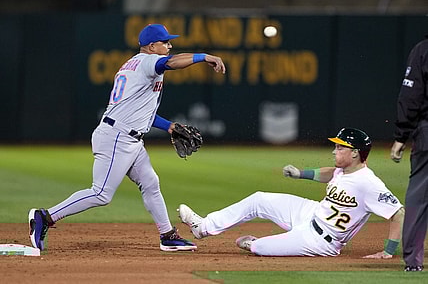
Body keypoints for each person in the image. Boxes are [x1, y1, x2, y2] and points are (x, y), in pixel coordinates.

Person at [28, 24, 226, 252]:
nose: (170, 46)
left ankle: (168, 235)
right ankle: (46, 216)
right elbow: (171, 62)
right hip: (117, 138)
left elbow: (140, 112)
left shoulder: (132, 65)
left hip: (126, 136)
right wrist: (204, 57)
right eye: (166, 42)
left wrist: (170, 127)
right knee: (101, 193)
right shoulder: (148, 62)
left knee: (150, 183)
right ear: (152, 46)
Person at [178, 128, 404, 257]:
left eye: (340, 147)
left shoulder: (369, 183)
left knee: (260, 248)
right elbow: (331, 173)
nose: (334, 150)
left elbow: (398, 213)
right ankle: (203, 227)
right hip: (312, 213)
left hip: (321, 240)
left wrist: (388, 251)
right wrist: (300, 174)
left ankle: (254, 243)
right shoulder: (344, 170)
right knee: (259, 199)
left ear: (355, 153)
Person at [390, 36, 428, 272]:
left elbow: (411, 96)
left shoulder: (423, 50)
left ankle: (413, 262)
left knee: (419, 197)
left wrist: (401, 135)